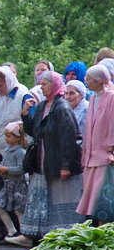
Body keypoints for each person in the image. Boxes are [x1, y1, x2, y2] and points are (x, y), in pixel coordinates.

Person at [20, 71, 83, 240]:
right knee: (45, 202)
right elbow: (35, 131)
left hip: (56, 163)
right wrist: (25, 115)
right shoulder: (42, 106)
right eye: (41, 84)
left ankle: (64, 237)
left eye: (45, 84)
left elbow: (68, 138)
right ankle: (42, 237)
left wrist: (65, 166)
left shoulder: (62, 107)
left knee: (61, 203)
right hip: (43, 163)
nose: (41, 87)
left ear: (54, 85)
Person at [77, 65, 114, 220]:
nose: (86, 81)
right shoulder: (93, 98)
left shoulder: (111, 97)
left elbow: (112, 123)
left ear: (99, 81)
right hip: (91, 154)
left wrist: (111, 149)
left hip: (104, 154)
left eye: (89, 79)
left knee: (102, 195)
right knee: (91, 195)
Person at [0, 122, 30, 245]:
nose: (6, 139)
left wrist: (7, 170)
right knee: (0, 206)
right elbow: (3, 162)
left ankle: (25, 234)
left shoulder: (20, 152)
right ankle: (12, 231)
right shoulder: (8, 150)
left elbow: (21, 169)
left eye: (9, 136)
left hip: (18, 184)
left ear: (18, 137)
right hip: (8, 184)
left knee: (19, 210)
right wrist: (0, 167)